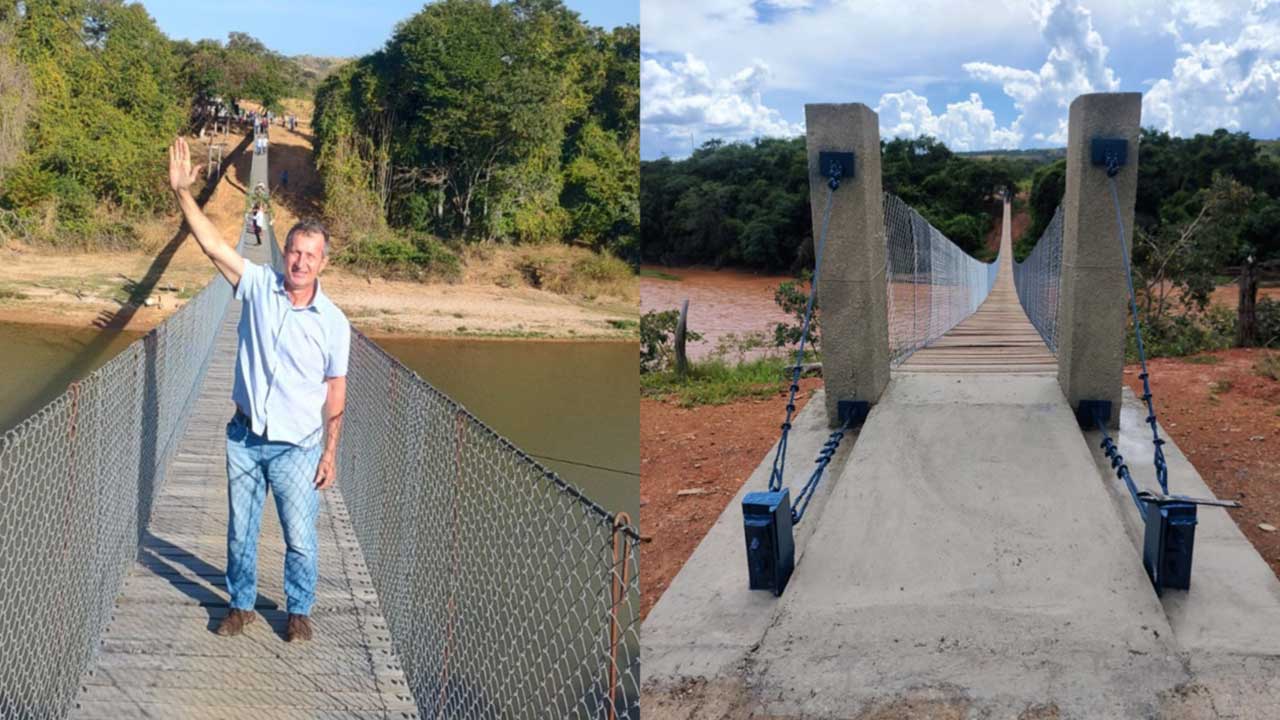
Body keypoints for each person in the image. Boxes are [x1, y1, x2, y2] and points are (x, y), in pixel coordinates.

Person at [167, 136, 350, 643]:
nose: (300, 262)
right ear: (282, 252)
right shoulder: (257, 284)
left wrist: (330, 453)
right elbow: (211, 245)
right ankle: (241, 605)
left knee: (300, 537)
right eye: (294, 251)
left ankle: (298, 611)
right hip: (245, 437)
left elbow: (336, 390)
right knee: (240, 531)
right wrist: (184, 194)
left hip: (298, 445)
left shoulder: (334, 323)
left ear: (323, 263)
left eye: (311, 256)